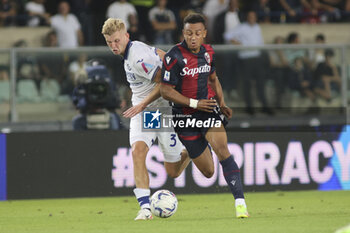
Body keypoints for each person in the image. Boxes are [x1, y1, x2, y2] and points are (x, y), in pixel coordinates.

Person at [160, 13, 249, 218]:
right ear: (183, 33)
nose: (193, 37)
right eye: (189, 33)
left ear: (204, 34)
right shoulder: (173, 56)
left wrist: (222, 103)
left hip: (207, 109)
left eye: (197, 33)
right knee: (208, 172)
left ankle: (240, 204)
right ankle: (188, 153)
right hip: (184, 117)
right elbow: (166, 91)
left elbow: (213, 79)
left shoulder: (209, 52)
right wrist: (194, 103)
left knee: (222, 149)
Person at [101, 18, 190, 220]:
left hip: (163, 109)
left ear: (126, 36)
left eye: (116, 41)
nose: (114, 46)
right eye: (109, 43)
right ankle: (145, 208)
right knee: (138, 152)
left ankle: (192, 151)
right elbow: (160, 54)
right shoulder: (136, 47)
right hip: (148, 113)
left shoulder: (136, 58)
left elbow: (166, 83)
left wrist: (141, 104)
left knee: (173, 172)